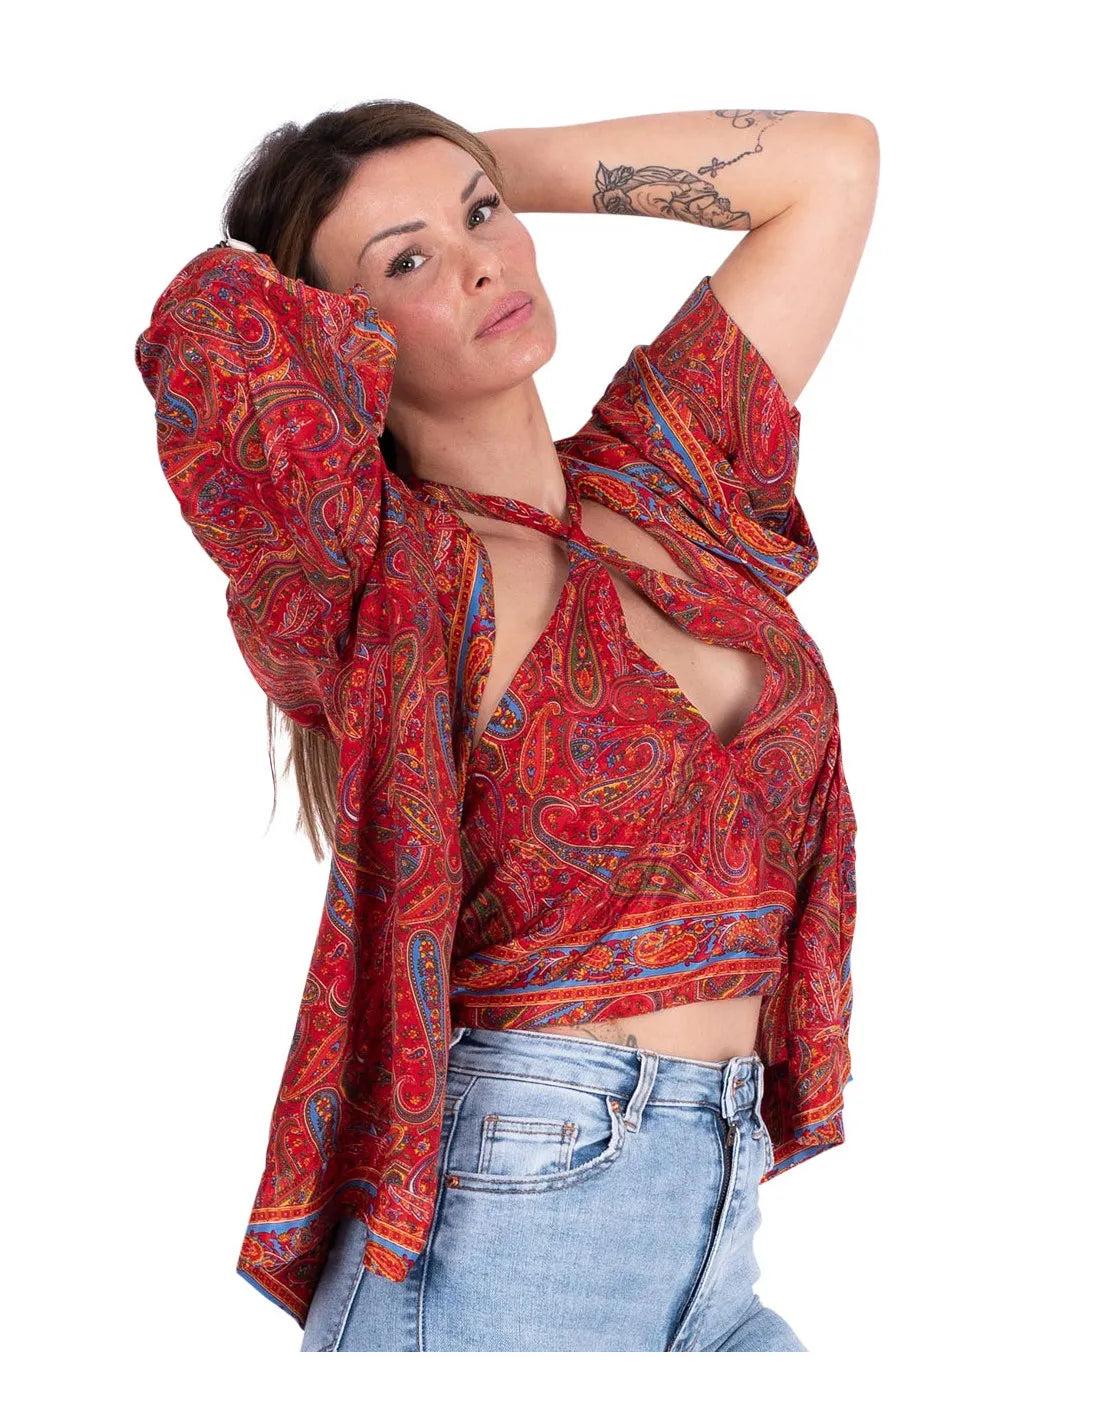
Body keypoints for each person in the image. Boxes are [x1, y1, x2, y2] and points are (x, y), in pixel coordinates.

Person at [134, 99, 877, 1350]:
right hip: (501, 1222)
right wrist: (351, 259)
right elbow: (202, 329)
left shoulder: (667, 479)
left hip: (711, 1223)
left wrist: (475, 168)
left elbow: (828, 167)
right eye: (407, 263)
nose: (480, 262)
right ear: (340, 338)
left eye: (483, 218)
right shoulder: (377, 575)